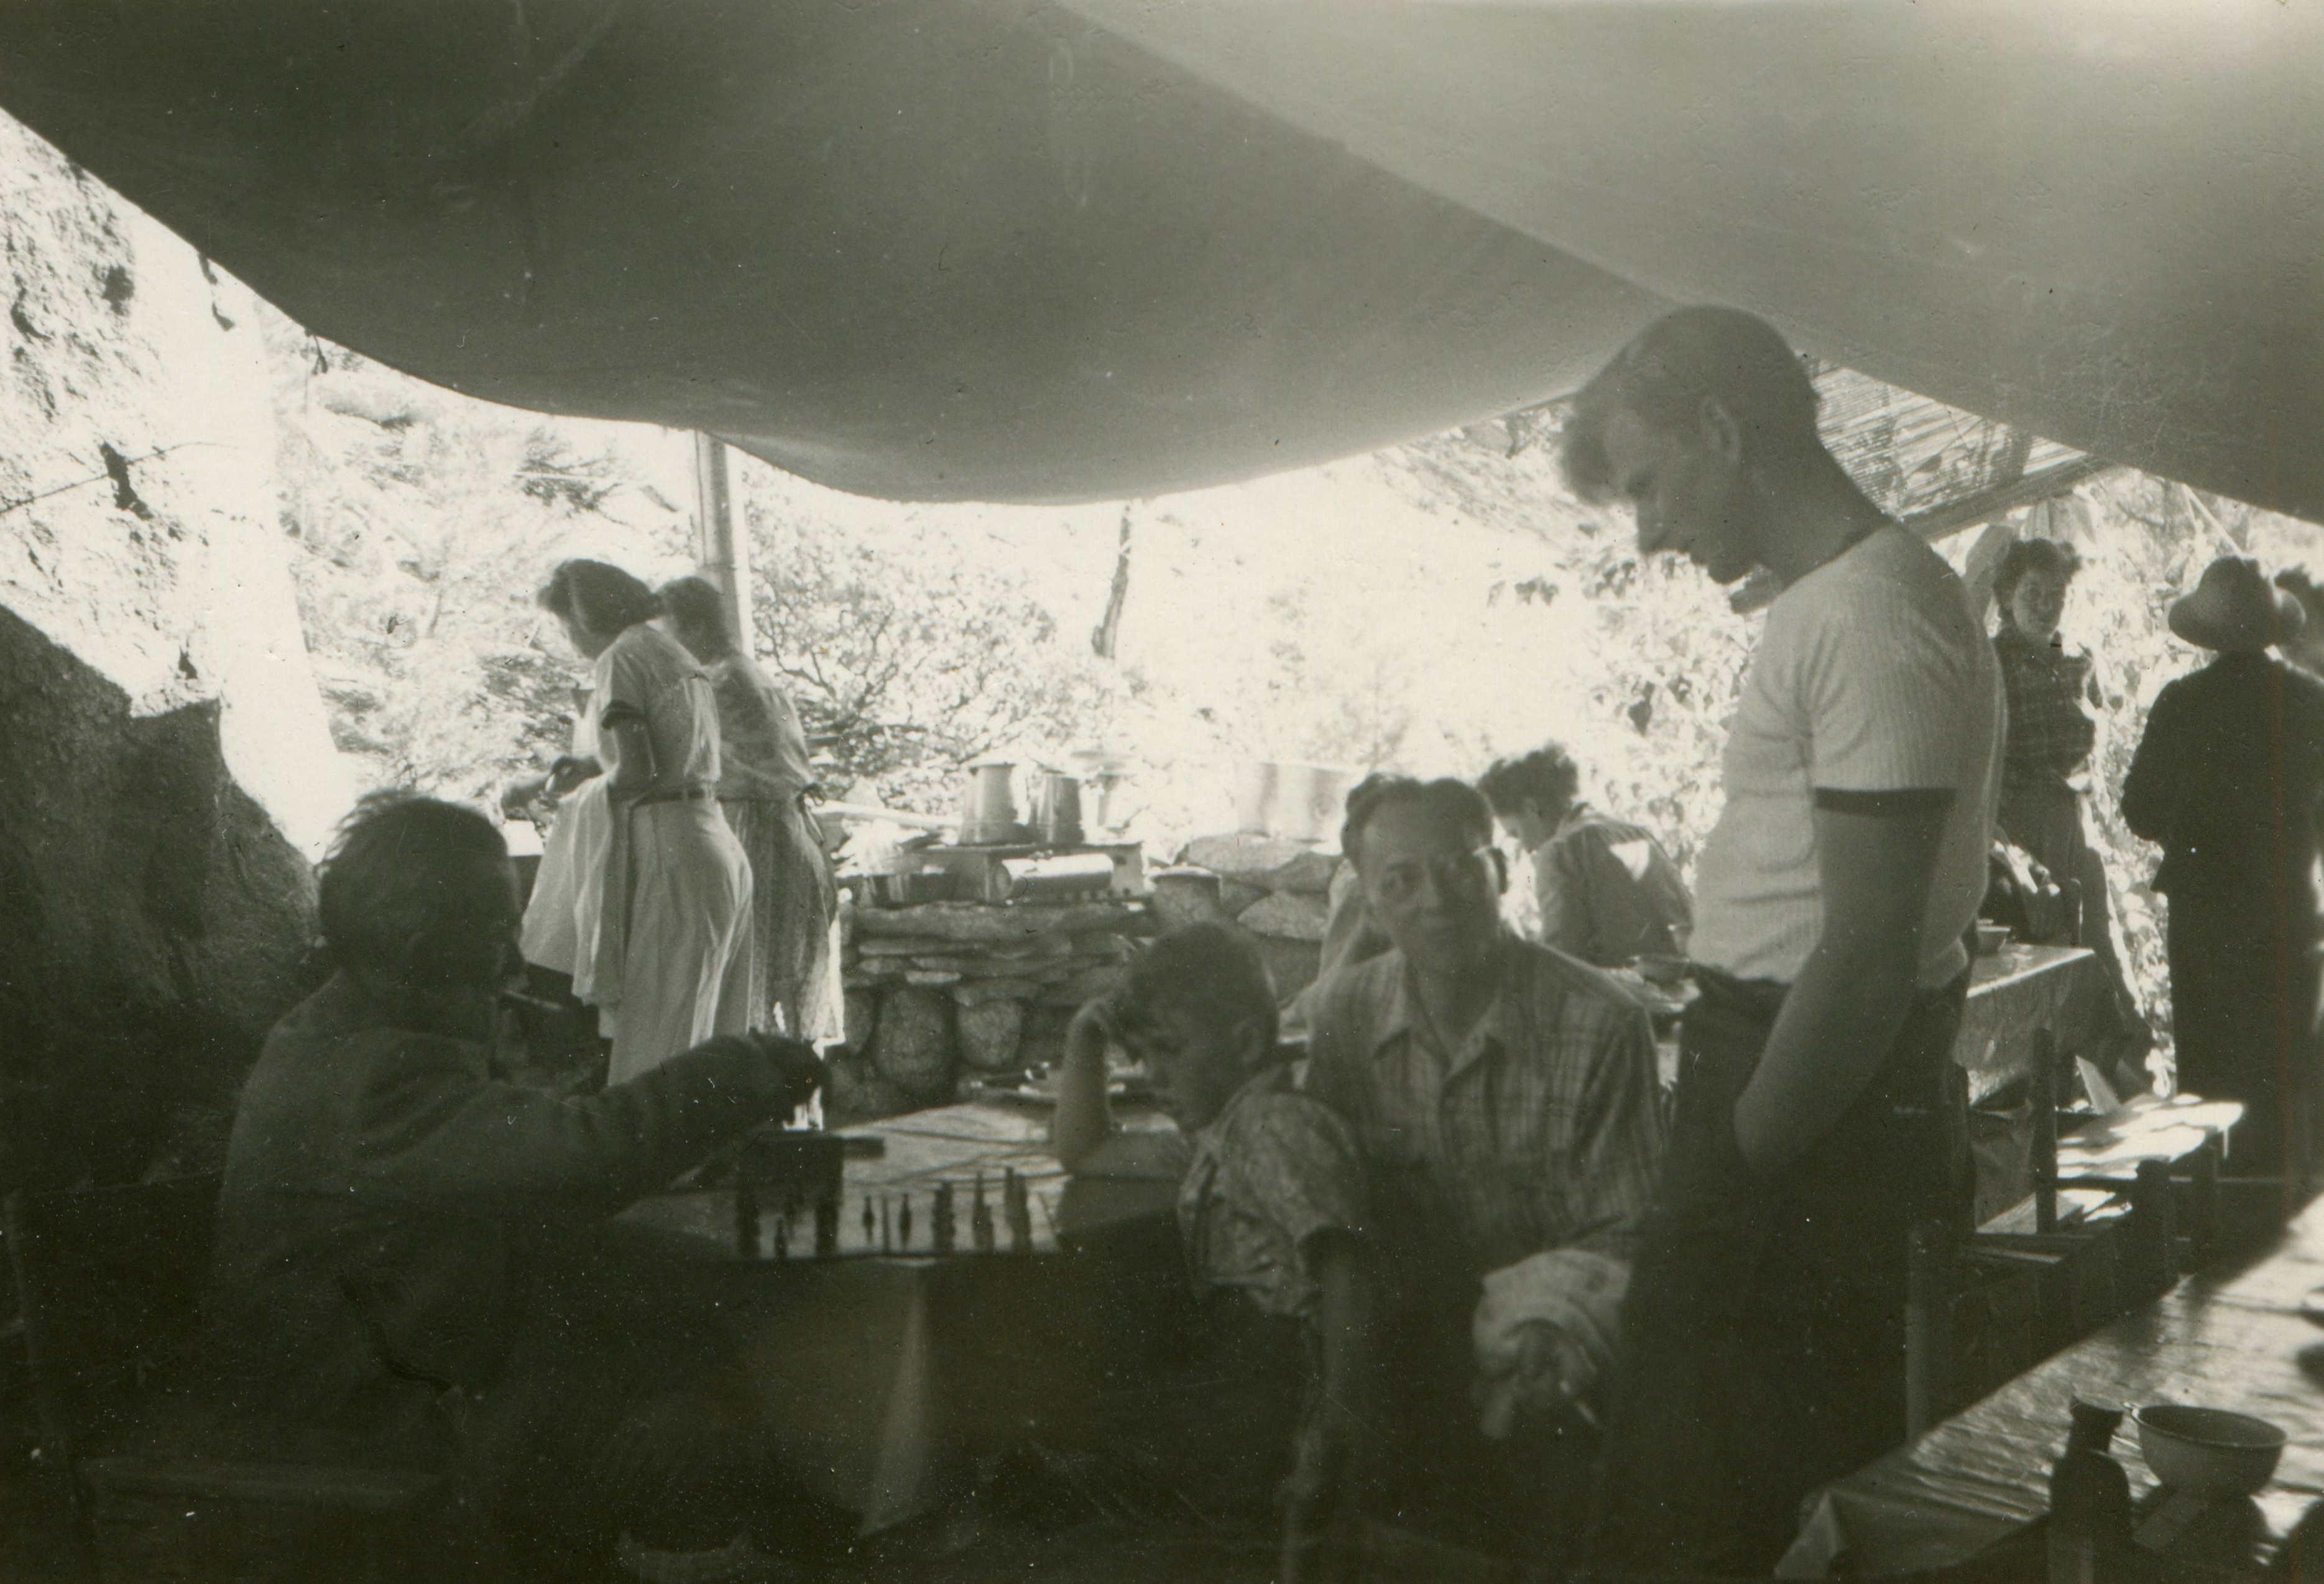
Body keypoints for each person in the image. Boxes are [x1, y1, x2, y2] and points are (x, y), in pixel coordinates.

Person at [1559, 305, 2003, 1573]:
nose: (1647, 529)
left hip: (1808, 1116)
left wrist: (1726, 1177)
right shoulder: (1838, 603)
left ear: (1722, 427)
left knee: (1711, 1520)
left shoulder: (1874, 613)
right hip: (1790, 1088)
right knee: (1708, 1503)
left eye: (1650, 483)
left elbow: (1863, 961)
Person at [204, 797, 839, 1578]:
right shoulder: (375, 1072)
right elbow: (583, 1157)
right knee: (682, 1398)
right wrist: (746, 1068)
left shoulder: (355, 1025)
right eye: (496, 930)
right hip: (359, 1405)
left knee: (698, 1298)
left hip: (395, 1349)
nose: (511, 958)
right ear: (418, 941)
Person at [1303, 775, 1664, 1566]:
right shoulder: (1345, 1016)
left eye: (1462, 868)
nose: (1436, 899)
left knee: (1550, 1438)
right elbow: (1329, 1202)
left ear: (1501, 872)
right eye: (1400, 881)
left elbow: (1624, 1234)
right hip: (1405, 1343)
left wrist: (1546, 1331)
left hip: (1552, 1347)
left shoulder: (1602, 1022)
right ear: (1370, 902)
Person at [1049, 922, 1378, 1582]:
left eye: (1169, 1051)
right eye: (1141, 1057)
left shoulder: (1272, 1127)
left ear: (1248, 1043)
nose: (1154, 1077)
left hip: (1280, 1384)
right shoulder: (1222, 1126)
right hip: (1243, 1381)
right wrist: (1087, 1039)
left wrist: (1340, 1418)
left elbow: (1344, 1261)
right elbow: (1083, 1149)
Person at [2123, 555, 2324, 1182]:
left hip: (2206, 912)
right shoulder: (2309, 699)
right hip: (2286, 905)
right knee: (2286, 1065)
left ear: (2207, 632)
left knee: (2212, 1069)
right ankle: (2290, 1215)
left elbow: (2140, 810)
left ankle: (2215, 1221)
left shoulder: (2182, 703)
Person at [528, 559, 754, 1084]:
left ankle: (654, 1164)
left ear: (585, 618)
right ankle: (703, 1162)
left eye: (566, 627)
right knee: (704, 1041)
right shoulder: (671, 651)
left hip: (672, 850)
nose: (570, 640)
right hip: (712, 839)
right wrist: (591, 765)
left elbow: (639, 769)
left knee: (657, 1049)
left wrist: (581, 794)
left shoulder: (619, 657)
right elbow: (671, 752)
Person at [1988, 537, 2151, 1085]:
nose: (2045, 604)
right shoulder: (1989, 662)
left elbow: (2090, 748)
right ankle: (2051, 1095)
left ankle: (2128, 1084)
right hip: (2014, 829)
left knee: (2097, 944)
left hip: (2073, 819)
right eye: (2032, 592)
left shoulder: (2080, 658)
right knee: (2039, 953)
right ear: (2007, 595)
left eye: (2056, 592)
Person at [659, 576, 839, 1046]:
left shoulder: (721, 680)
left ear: (695, 626)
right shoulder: (748, 672)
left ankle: (760, 1106)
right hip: (785, 829)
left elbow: (671, 755)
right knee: (772, 985)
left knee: (749, 986)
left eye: (671, 628)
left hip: (759, 832)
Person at [1475, 744, 1692, 967]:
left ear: (1532, 808)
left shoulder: (1560, 851)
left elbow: (1562, 962)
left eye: (1516, 833)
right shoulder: (1635, 833)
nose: (1524, 845)